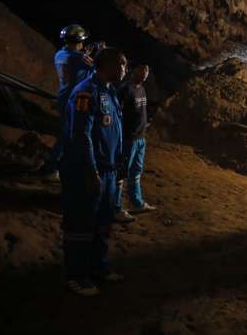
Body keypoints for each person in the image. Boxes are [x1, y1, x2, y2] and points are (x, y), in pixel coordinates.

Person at [60, 47, 126, 296]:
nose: (124, 69)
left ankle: (98, 268)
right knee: (80, 224)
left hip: (107, 170)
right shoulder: (86, 92)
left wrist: (116, 166)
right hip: (85, 170)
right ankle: (76, 276)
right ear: (105, 64)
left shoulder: (109, 92)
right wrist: (91, 171)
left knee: (102, 224)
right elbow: (81, 135)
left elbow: (112, 132)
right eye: (120, 63)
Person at [39, 25, 98, 181]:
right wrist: (97, 52)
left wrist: (84, 53)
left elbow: (76, 61)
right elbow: (97, 68)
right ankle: (53, 168)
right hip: (76, 100)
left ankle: (55, 166)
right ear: (79, 41)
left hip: (64, 97)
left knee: (66, 134)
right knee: (73, 135)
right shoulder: (79, 57)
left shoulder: (60, 54)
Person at [114, 64, 156, 223]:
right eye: (142, 70)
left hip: (140, 138)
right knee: (121, 173)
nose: (145, 73)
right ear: (133, 70)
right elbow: (117, 113)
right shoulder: (125, 90)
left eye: (147, 70)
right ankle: (115, 208)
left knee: (136, 171)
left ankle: (137, 203)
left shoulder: (142, 89)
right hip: (128, 139)